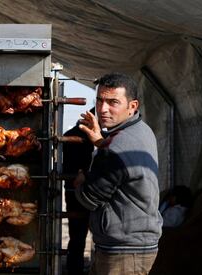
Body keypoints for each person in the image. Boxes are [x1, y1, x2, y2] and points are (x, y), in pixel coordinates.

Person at [75, 73, 163, 275]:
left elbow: (90, 199)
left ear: (132, 106)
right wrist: (100, 141)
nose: (103, 109)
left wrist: (80, 182)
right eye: (100, 101)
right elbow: (121, 166)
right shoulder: (141, 130)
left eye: (113, 102)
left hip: (124, 253)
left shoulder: (118, 148)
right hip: (136, 245)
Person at [62, 108, 95, 275]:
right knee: (89, 232)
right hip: (86, 188)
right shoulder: (92, 138)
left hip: (71, 189)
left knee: (77, 235)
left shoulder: (69, 134)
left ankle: (74, 269)